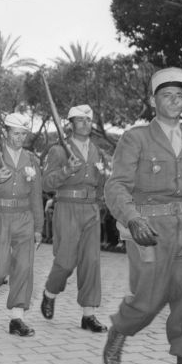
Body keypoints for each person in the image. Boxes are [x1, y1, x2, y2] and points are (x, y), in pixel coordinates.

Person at [103, 67, 182, 364]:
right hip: (148, 227)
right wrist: (132, 219)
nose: (175, 102)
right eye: (167, 96)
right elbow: (116, 185)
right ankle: (120, 327)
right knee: (149, 298)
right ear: (153, 100)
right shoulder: (136, 137)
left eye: (180, 96)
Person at [0, 113, 43, 337]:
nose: (20, 138)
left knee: (24, 268)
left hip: (24, 217)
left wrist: (39, 227)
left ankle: (17, 318)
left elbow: (36, 195)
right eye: (15, 134)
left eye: (23, 134)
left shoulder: (31, 159)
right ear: (5, 133)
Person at [40, 104, 107, 333]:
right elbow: (46, 183)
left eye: (88, 120)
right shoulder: (59, 150)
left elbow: (101, 182)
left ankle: (88, 314)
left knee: (91, 262)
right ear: (70, 124)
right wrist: (66, 171)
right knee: (66, 261)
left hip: (90, 209)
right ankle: (50, 291)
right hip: (67, 207)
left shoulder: (97, 151)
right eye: (80, 120)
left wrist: (100, 200)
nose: (85, 124)